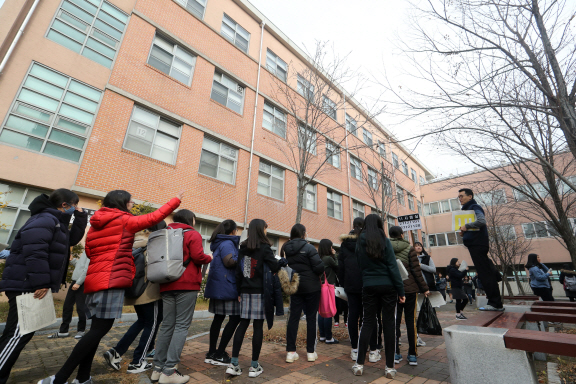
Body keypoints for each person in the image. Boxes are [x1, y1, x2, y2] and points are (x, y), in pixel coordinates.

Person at [38, 190, 182, 384]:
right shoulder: (124, 220)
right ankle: (60, 378)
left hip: (95, 280)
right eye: (130, 201)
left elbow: (89, 250)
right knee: (98, 330)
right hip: (111, 280)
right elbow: (153, 217)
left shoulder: (96, 223)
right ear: (122, 202)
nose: (132, 204)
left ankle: (83, 378)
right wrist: (175, 200)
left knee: (96, 330)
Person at [0, 189, 87, 384]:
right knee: (19, 334)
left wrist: (81, 217)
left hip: (29, 282)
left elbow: (70, 241)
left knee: (18, 333)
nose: (76, 208)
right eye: (75, 205)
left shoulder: (55, 221)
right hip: (28, 283)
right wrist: (41, 282)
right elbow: (35, 252)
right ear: (64, 205)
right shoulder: (45, 219)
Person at [151, 209, 213, 384]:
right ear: (190, 220)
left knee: (167, 325)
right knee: (181, 325)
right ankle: (169, 371)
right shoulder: (192, 234)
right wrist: (209, 258)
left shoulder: (164, 233)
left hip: (165, 282)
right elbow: (198, 256)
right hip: (186, 284)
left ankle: (157, 369)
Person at [103, 221, 166, 374]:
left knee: (142, 322)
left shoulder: (136, 242)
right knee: (153, 323)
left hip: (134, 292)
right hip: (149, 292)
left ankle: (116, 352)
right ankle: (137, 362)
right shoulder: (153, 244)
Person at [225, 219, 285, 378]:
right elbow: (274, 266)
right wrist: (283, 261)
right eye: (266, 228)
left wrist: (239, 291)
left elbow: (239, 272)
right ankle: (253, 366)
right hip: (260, 292)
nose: (267, 230)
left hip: (245, 291)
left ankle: (234, 364)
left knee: (242, 325)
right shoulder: (265, 248)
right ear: (261, 230)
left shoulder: (243, 248)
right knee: (258, 327)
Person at [352, 214, 405, 379]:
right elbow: (392, 267)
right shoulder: (385, 241)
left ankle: (359, 364)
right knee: (389, 324)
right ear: (380, 224)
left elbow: (360, 266)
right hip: (388, 286)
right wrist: (400, 290)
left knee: (367, 323)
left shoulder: (359, 243)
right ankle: (389, 368)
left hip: (368, 285)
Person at [283, 224, 324, 363]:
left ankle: (290, 352)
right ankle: (311, 352)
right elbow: (319, 267)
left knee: (293, 317)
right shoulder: (309, 247)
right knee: (311, 318)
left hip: (295, 285)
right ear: (303, 233)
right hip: (312, 286)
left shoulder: (286, 248)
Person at [388, 227, 429, 367]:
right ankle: (412, 354)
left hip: (392, 289)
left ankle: (395, 353)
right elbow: (416, 271)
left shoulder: (386, 247)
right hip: (410, 290)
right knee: (411, 321)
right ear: (401, 235)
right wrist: (424, 288)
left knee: (394, 321)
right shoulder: (410, 249)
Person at [457, 188, 504, 311]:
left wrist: (466, 226)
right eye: (459, 197)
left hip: (478, 244)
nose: (460, 198)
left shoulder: (474, 206)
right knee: (487, 270)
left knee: (485, 274)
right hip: (475, 244)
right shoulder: (468, 209)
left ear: (470, 196)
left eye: (462, 196)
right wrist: (465, 233)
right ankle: (496, 277)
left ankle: (495, 303)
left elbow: (481, 221)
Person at [204, 219, 241, 366]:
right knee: (235, 318)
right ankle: (219, 353)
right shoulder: (227, 243)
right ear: (232, 231)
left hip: (219, 286)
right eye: (236, 230)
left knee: (218, 319)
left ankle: (212, 352)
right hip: (227, 287)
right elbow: (229, 262)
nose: (237, 233)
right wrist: (243, 258)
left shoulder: (220, 242)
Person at [337, 217, 366, 361]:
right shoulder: (368, 242)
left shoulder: (344, 244)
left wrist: (343, 283)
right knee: (367, 316)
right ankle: (370, 348)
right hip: (367, 284)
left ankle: (355, 348)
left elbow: (340, 267)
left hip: (350, 284)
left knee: (352, 316)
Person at [48, 251, 90, 340]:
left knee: (80, 307)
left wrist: (79, 283)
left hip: (81, 283)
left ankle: (81, 330)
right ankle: (63, 331)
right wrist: (73, 260)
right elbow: (80, 266)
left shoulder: (91, 251)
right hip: (75, 281)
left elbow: (87, 269)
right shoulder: (85, 251)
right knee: (67, 306)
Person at [318, 239, 339, 344]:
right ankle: (329, 337)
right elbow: (337, 266)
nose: (332, 248)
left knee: (321, 311)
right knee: (328, 311)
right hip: (328, 286)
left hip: (320, 286)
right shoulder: (328, 258)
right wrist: (334, 255)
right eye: (331, 246)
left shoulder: (318, 258)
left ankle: (322, 335)